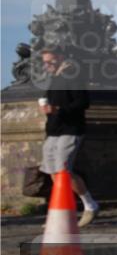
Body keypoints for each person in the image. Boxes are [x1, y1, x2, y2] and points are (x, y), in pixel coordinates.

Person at [38, 47, 99, 227]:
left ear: (61, 58)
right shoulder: (54, 78)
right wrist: (46, 108)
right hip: (53, 130)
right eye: (44, 62)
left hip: (70, 129)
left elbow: (83, 102)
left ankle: (90, 205)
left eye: (50, 61)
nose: (47, 65)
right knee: (52, 171)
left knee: (63, 170)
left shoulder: (73, 75)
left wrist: (59, 110)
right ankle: (62, 211)